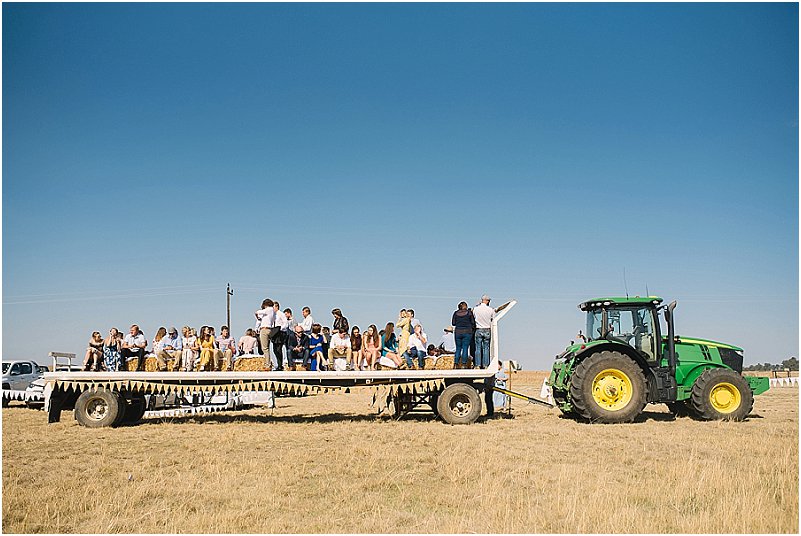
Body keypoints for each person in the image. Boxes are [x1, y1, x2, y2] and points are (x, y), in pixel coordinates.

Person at [473, 295, 495, 368]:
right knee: (486, 348)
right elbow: (493, 319)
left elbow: (473, 317)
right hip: (487, 329)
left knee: (478, 348)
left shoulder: (476, 309)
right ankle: (486, 365)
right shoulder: (491, 310)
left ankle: (478, 365)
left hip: (478, 329)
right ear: (487, 301)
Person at [451, 302, 475, 369]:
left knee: (458, 348)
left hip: (458, 332)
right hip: (467, 332)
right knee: (465, 348)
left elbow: (453, 323)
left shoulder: (455, 313)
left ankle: (456, 363)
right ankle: (464, 364)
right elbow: (473, 322)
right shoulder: (469, 313)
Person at [255, 299, 276, 363]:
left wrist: (257, 315)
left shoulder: (269, 309)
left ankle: (267, 363)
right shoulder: (272, 312)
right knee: (267, 348)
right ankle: (268, 362)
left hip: (264, 329)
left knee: (264, 348)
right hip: (269, 329)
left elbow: (257, 312)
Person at [272, 301, 288, 370]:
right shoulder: (273, 315)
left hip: (280, 332)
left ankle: (280, 365)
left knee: (279, 349)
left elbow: (285, 323)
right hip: (274, 332)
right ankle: (278, 363)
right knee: (274, 350)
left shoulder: (281, 314)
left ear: (276, 307)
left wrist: (280, 329)